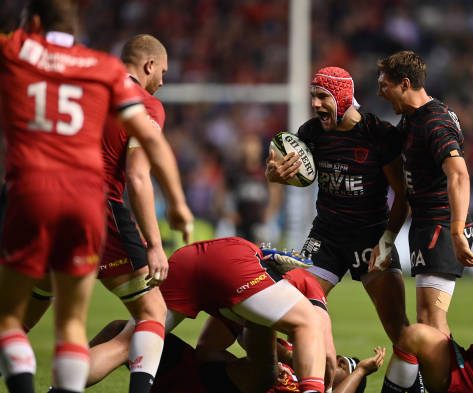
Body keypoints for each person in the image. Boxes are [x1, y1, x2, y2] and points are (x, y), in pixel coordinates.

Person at [0, 2, 192, 393]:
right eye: (163, 74)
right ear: (150, 65)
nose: (162, 84)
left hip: (27, 195)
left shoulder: (22, 57)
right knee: (148, 311)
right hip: (92, 204)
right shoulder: (107, 78)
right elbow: (141, 172)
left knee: (15, 319)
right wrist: (164, 226)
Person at [266, 66, 423, 393]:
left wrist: (387, 241)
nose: (316, 104)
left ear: (341, 96)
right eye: (313, 97)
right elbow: (282, 168)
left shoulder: (379, 134)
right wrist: (274, 174)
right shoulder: (311, 132)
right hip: (326, 237)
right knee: (294, 311)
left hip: (372, 239)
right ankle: (318, 378)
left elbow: (403, 196)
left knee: (400, 331)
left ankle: (415, 386)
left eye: (322, 96)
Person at [83, 237, 331, 393]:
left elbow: (208, 349)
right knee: (308, 324)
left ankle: (62, 386)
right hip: (238, 265)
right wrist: (293, 361)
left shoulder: (264, 302)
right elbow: (327, 356)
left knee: (125, 344)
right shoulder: (309, 288)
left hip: (193, 257)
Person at [376, 51, 473, 340]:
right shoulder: (413, 119)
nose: (379, 92)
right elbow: (405, 189)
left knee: (432, 325)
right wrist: (388, 239)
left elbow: (458, 174)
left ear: (405, 84)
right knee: (426, 323)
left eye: (385, 86)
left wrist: (457, 232)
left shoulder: (434, 122)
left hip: (441, 227)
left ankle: (458, 384)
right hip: (426, 226)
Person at [86, 318, 385, 393]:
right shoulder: (296, 365)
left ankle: (251, 293)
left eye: (343, 364)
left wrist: (361, 371)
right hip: (206, 374)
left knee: (263, 326)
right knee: (123, 330)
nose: (337, 360)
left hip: (224, 385)